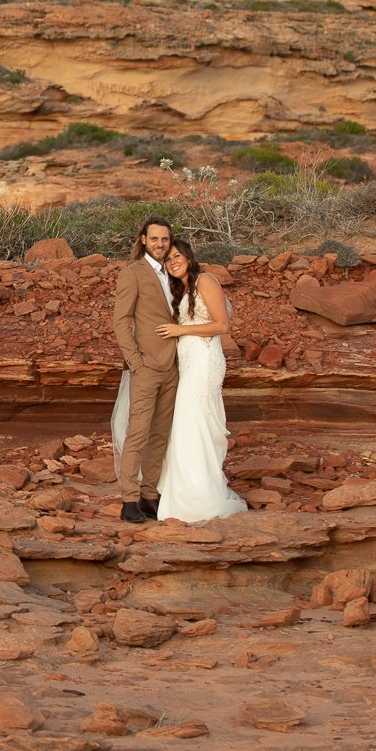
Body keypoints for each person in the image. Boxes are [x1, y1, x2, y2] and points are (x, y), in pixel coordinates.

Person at [152, 237, 247, 524]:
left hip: (205, 363)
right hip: (191, 364)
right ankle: (186, 493)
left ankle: (198, 498)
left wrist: (178, 330)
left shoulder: (205, 280)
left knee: (193, 423)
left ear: (190, 258)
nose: (173, 262)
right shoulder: (181, 290)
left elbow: (222, 325)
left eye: (178, 256)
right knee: (187, 425)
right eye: (168, 259)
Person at [111, 217, 179, 522]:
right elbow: (120, 321)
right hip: (146, 367)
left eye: (165, 239)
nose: (160, 244)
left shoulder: (176, 272)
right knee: (137, 432)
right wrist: (136, 363)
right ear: (143, 239)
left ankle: (150, 496)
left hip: (174, 367)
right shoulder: (132, 273)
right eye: (154, 239)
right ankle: (129, 500)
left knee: (160, 435)